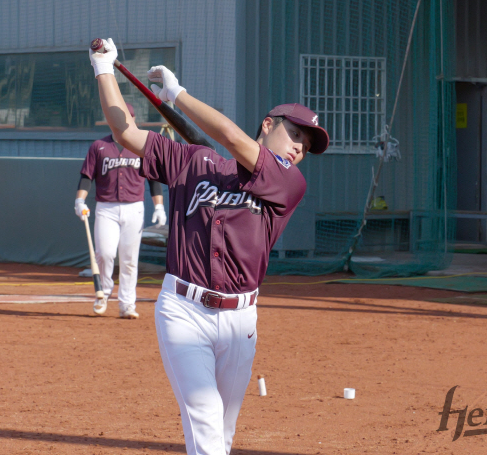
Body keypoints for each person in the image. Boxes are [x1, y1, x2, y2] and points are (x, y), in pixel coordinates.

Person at [89, 38, 328, 454]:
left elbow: (235, 139)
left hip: (241, 320)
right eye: (293, 134)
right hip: (184, 310)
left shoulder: (289, 182)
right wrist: (103, 68)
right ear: (268, 125)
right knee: (204, 418)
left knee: (222, 432)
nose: (298, 148)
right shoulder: (192, 161)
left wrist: (178, 96)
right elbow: (125, 132)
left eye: (305, 147)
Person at [74, 103, 166, 319]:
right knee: (105, 254)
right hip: (107, 207)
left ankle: (127, 304)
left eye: (129, 119)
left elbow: (153, 180)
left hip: (134, 208)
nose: (126, 123)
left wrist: (159, 205)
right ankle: (103, 293)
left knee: (129, 258)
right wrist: (80, 201)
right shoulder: (99, 146)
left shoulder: (141, 147)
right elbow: (87, 176)